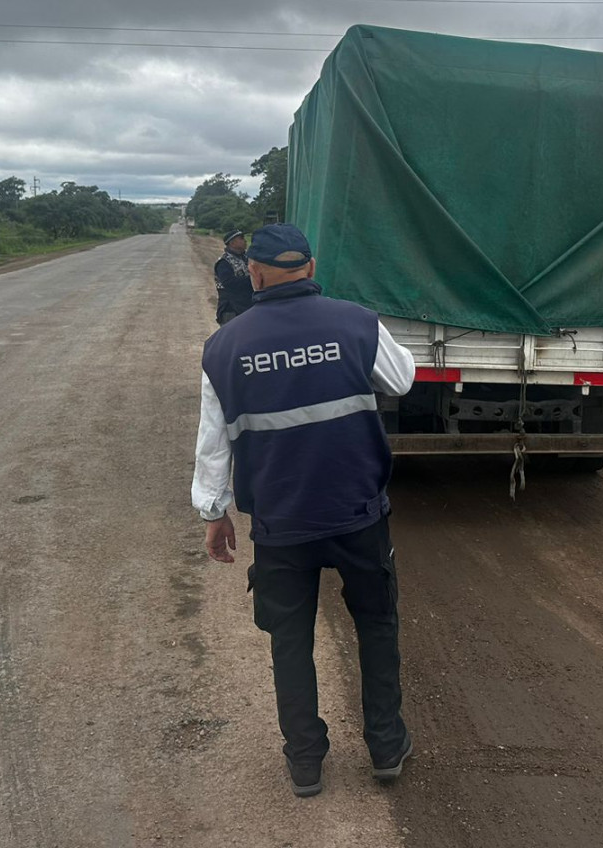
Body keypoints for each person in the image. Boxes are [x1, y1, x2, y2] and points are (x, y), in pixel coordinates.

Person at [190, 223, 417, 798]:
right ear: (311, 269)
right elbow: (402, 380)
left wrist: (214, 512)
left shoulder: (223, 348)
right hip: (358, 513)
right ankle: (386, 746)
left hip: (280, 524)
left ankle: (306, 761)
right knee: (377, 626)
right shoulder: (356, 323)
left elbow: (212, 442)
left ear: (256, 273)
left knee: (289, 639)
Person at [214, 230, 253, 325]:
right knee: (233, 339)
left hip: (247, 307)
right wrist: (252, 279)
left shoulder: (247, 258)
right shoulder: (224, 262)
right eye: (241, 239)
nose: (245, 241)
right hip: (231, 309)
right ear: (232, 243)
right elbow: (229, 283)